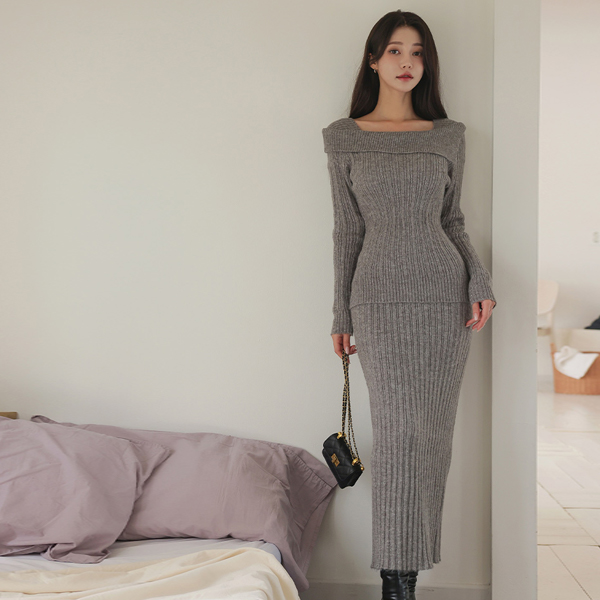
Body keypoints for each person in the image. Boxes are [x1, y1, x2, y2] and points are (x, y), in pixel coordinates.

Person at [322, 10, 496, 600]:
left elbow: (453, 220)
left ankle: (405, 582)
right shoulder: (343, 136)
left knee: (432, 437)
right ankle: (396, 581)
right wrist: (341, 313)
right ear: (373, 61)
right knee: (398, 437)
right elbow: (347, 231)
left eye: (417, 52)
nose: (407, 62)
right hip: (378, 301)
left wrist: (479, 279)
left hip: (445, 298)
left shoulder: (447, 135)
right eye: (395, 51)